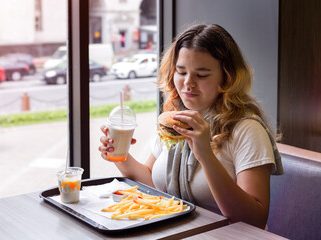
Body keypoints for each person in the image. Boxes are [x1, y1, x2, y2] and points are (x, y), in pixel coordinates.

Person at [98, 23, 282, 229]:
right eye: (181, 71)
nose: (188, 83)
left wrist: (205, 154)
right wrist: (120, 156)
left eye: (201, 75)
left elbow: (254, 220)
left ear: (227, 78)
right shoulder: (175, 120)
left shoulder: (246, 129)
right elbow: (152, 182)